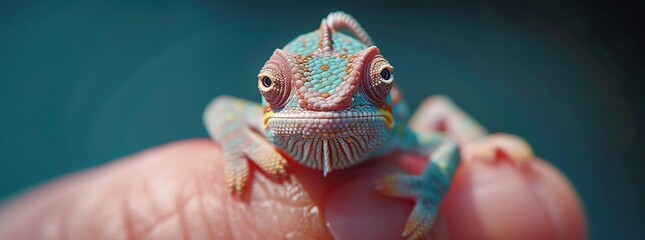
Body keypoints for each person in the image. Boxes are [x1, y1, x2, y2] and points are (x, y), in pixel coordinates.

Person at [0, 139, 586, 239]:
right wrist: (237, 144)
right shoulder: (261, 115)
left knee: (443, 122)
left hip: (403, 129)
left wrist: (432, 188)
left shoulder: (390, 122)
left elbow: (442, 148)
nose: (324, 113)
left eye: (376, 83)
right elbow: (223, 106)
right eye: (274, 89)